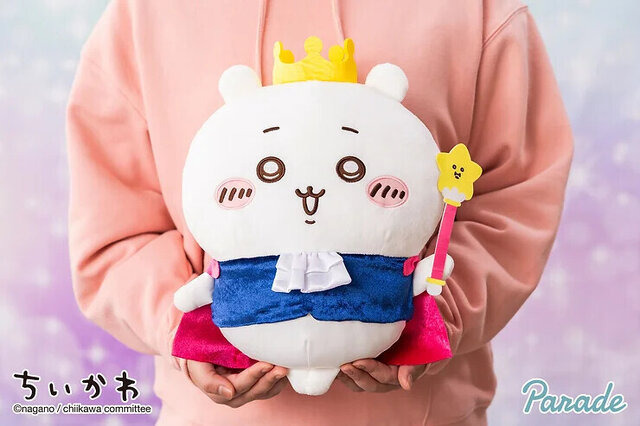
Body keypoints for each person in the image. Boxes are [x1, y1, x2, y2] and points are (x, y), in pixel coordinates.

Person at [66, 0, 573, 424]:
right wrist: (190, 330)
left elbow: (516, 199)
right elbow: (116, 230)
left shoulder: (475, 10)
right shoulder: (146, 14)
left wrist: (433, 318)